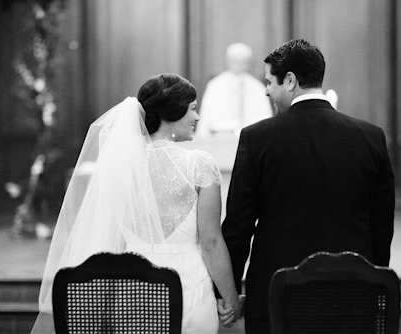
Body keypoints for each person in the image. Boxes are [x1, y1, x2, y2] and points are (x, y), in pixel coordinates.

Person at [30, 74, 242, 334]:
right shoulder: (199, 164)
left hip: (130, 291)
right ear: (174, 112)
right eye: (193, 109)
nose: (197, 118)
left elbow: (109, 235)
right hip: (188, 288)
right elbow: (211, 242)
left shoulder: (117, 166)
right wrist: (231, 298)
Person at [220, 39, 395, 333]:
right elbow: (381, 223)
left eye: (269, 82)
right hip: (352, 292)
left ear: (290, 81)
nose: (265, 90)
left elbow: (239, 225)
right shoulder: (370, 136)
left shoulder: (258, 138)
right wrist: (375, 280)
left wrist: (227, 293)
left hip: (277, 292)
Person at [196, 43, 273, 138]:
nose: (238, 64)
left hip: (251, 137)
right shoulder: (215, 85)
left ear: (249, 62)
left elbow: (265, 117)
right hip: (221, 137)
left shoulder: (257, 87)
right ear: (227, 61)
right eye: (234, 61)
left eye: (242, 61)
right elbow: (206, 116)